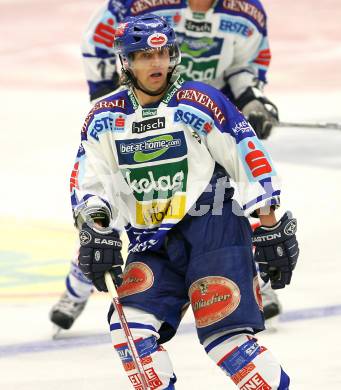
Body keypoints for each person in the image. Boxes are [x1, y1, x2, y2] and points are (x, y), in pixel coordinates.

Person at [70, 14, 298, 389]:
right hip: (151, 241)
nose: (156, 63)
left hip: (215, 230)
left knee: (226, 342)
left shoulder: (199, 101)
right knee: (131, 332)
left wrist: (270, 222)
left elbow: (247, 158)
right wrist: (96, 227)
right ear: (125, 61)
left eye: (163, 53)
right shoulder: (103, 117)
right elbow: (91, 179)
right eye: (144, 55)